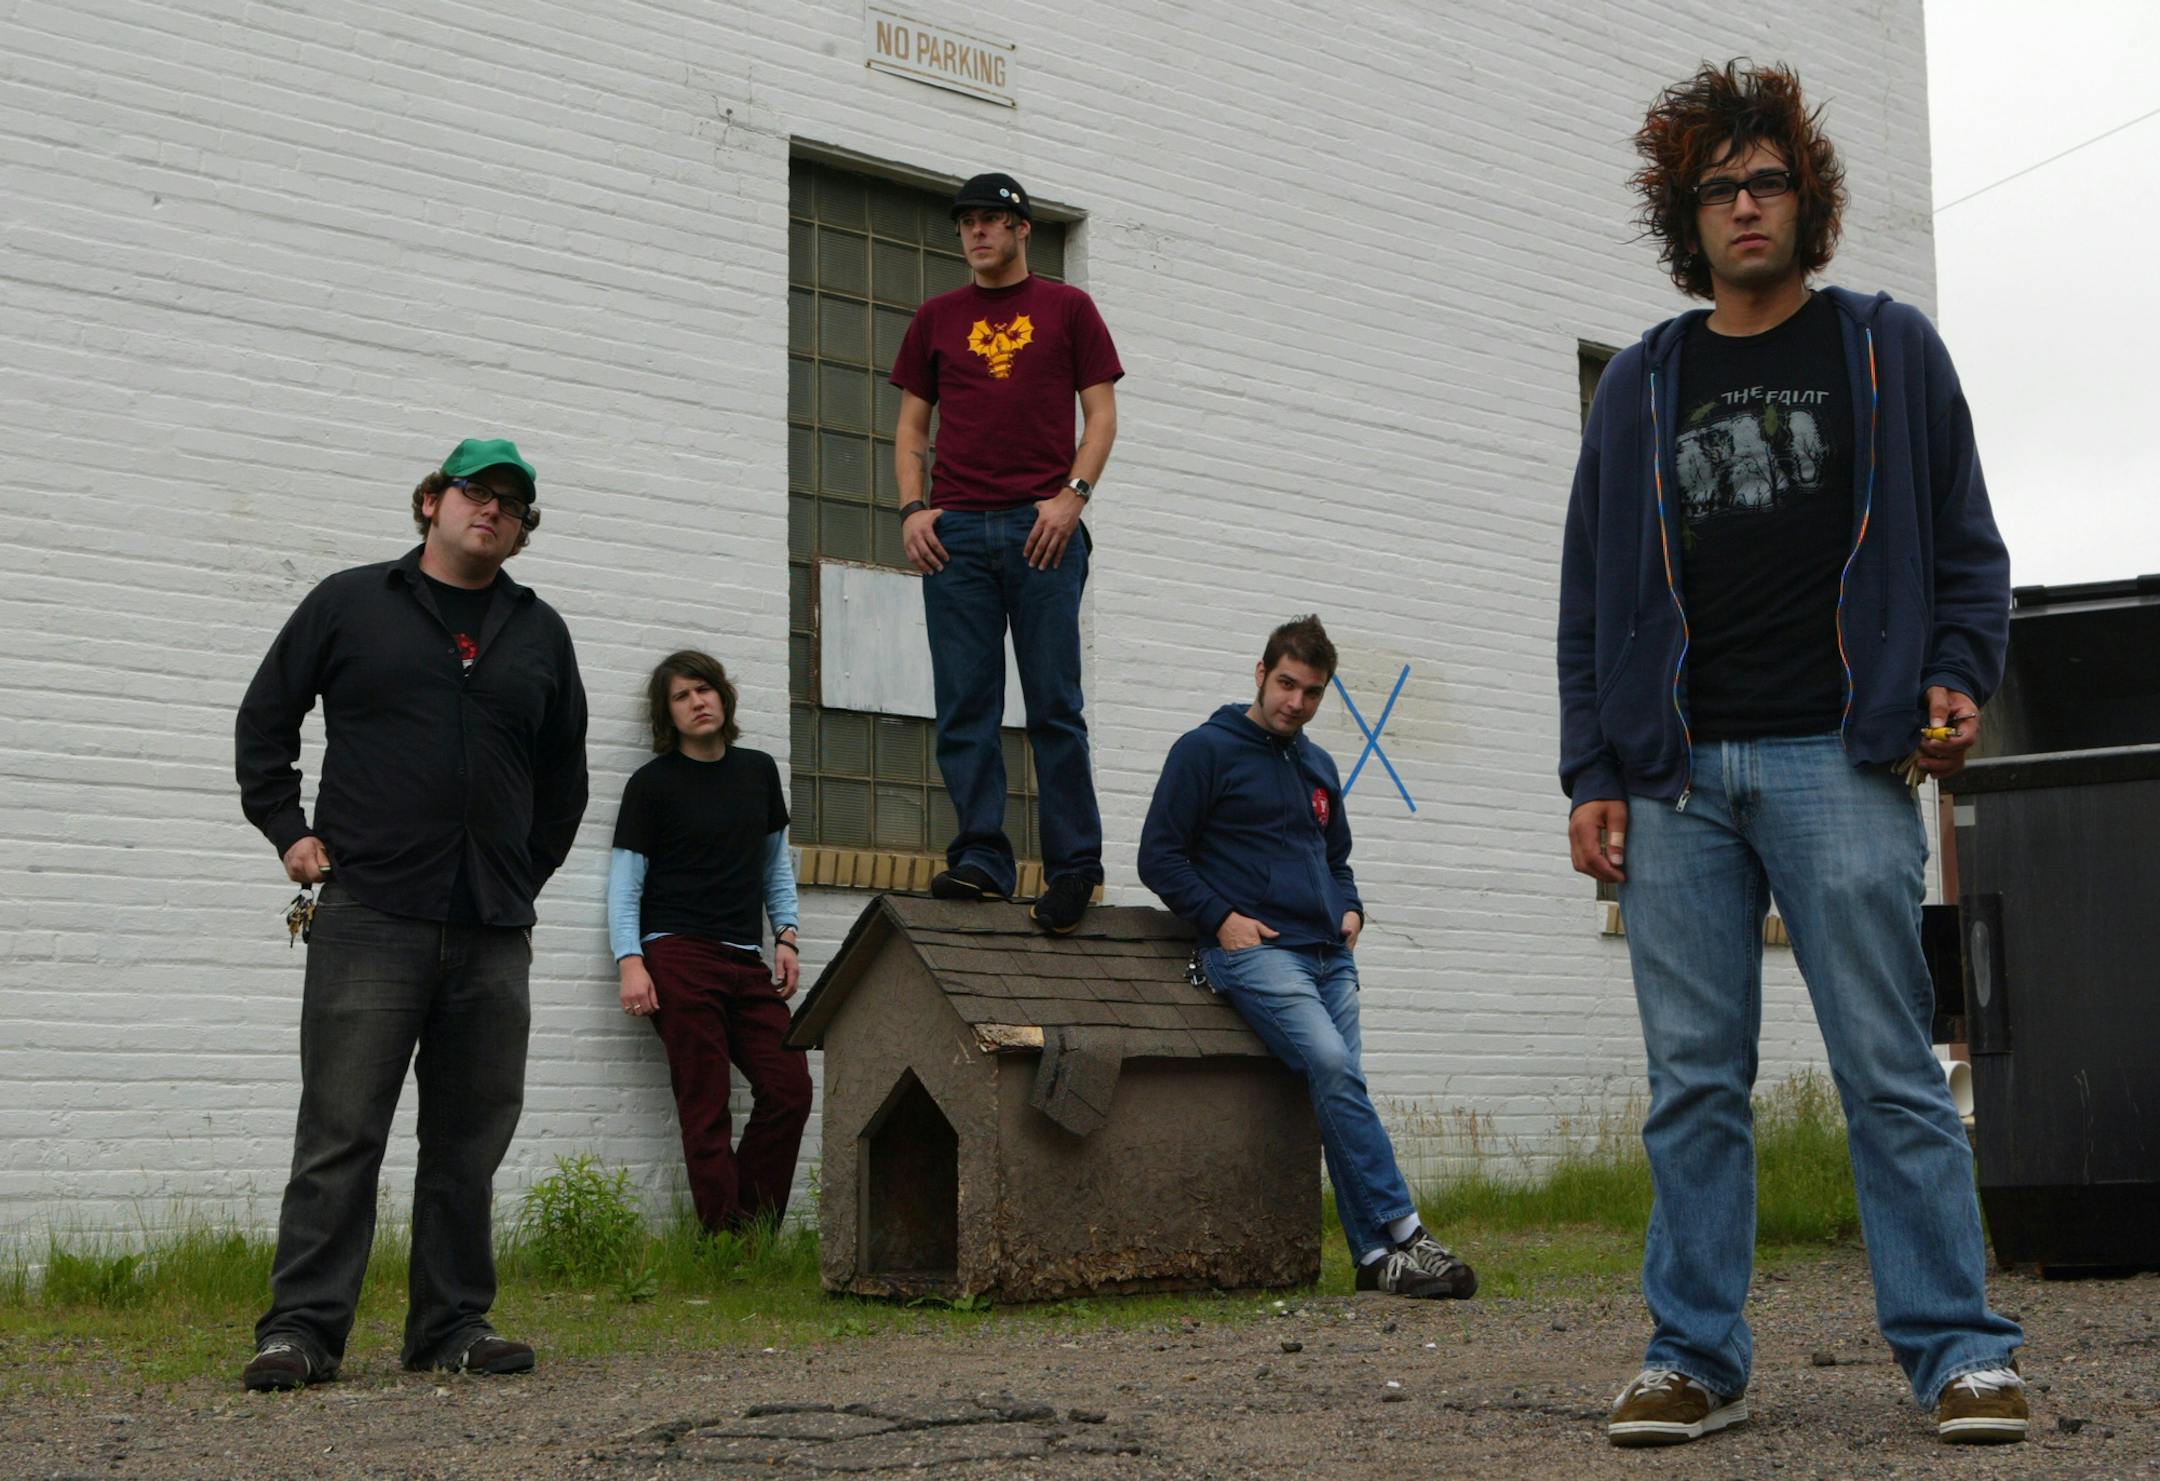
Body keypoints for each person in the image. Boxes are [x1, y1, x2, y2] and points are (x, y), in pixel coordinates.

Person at [1557, 61, 2026, 1446]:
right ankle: (1692, 1353)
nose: (1745, 205)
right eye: (1720, 187)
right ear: (1686, 215)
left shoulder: (1887, 351)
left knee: (1887, 1063)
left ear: (1805, 201)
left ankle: (1960, 1351)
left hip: (1842, 759)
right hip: (1677, 779)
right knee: (1694, 1081)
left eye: (1768, 181)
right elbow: (1589, 596)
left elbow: (1969, 557)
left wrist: (1953, 678)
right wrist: (1592, 770)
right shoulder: (1643, 382)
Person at [234, 438, 589, 1391]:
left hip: (490, 926)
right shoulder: (351, 603)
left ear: (522, 527)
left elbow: (565, 778)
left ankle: (451, 1324)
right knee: (341, 1130)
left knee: (468, 1140)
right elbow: (267, 718)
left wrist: (522, 873)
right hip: (370, 914)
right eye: (477, 491)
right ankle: (302, 1330)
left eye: (512, 503)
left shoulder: (540, 632)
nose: (493, 510)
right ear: (432, 500)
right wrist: (287, 827)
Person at [1138, 615, 1477, 1301]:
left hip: (1329, 954)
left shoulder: (1318, 765)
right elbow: (1159, 856)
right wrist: (1221, 920)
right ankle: (1407, 1230)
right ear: (1260, 674)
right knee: (1330, 1065)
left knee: (1339, 1087)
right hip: (1258, 956)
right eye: (1287, 683)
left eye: (1312, 691)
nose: (1296, 701)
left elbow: (1336, 857)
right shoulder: (1204, 751)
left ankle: (1376, 1259)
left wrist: (1351, 907)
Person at [890, 171, 1122, 934]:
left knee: (1055, 704)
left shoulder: (1068, 309)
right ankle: (983, 857)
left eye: (993, 221)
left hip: (1041, 528)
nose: (977, 233)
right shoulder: (935, 318)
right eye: (967, 223)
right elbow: (911, 430)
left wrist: (1071, 497)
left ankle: (1072, 868)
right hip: (957, 535)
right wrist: (912, 510)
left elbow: (1101, 416)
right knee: (966, 704)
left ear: (1023, 230)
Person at [607, 650, 811, 1234]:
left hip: (745, 960)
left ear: (723, 696)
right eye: (681, 696)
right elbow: (626, 883)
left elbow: (775, 866)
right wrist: (631, 961)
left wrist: (787, 936)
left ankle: (746, 1229)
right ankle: (726, 1240)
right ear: (666, 715)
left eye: (704, 689)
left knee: (789, 1087)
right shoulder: (652, 785)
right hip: (676, 955)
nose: (697, 702)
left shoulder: (758, 771)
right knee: (706, 1102)